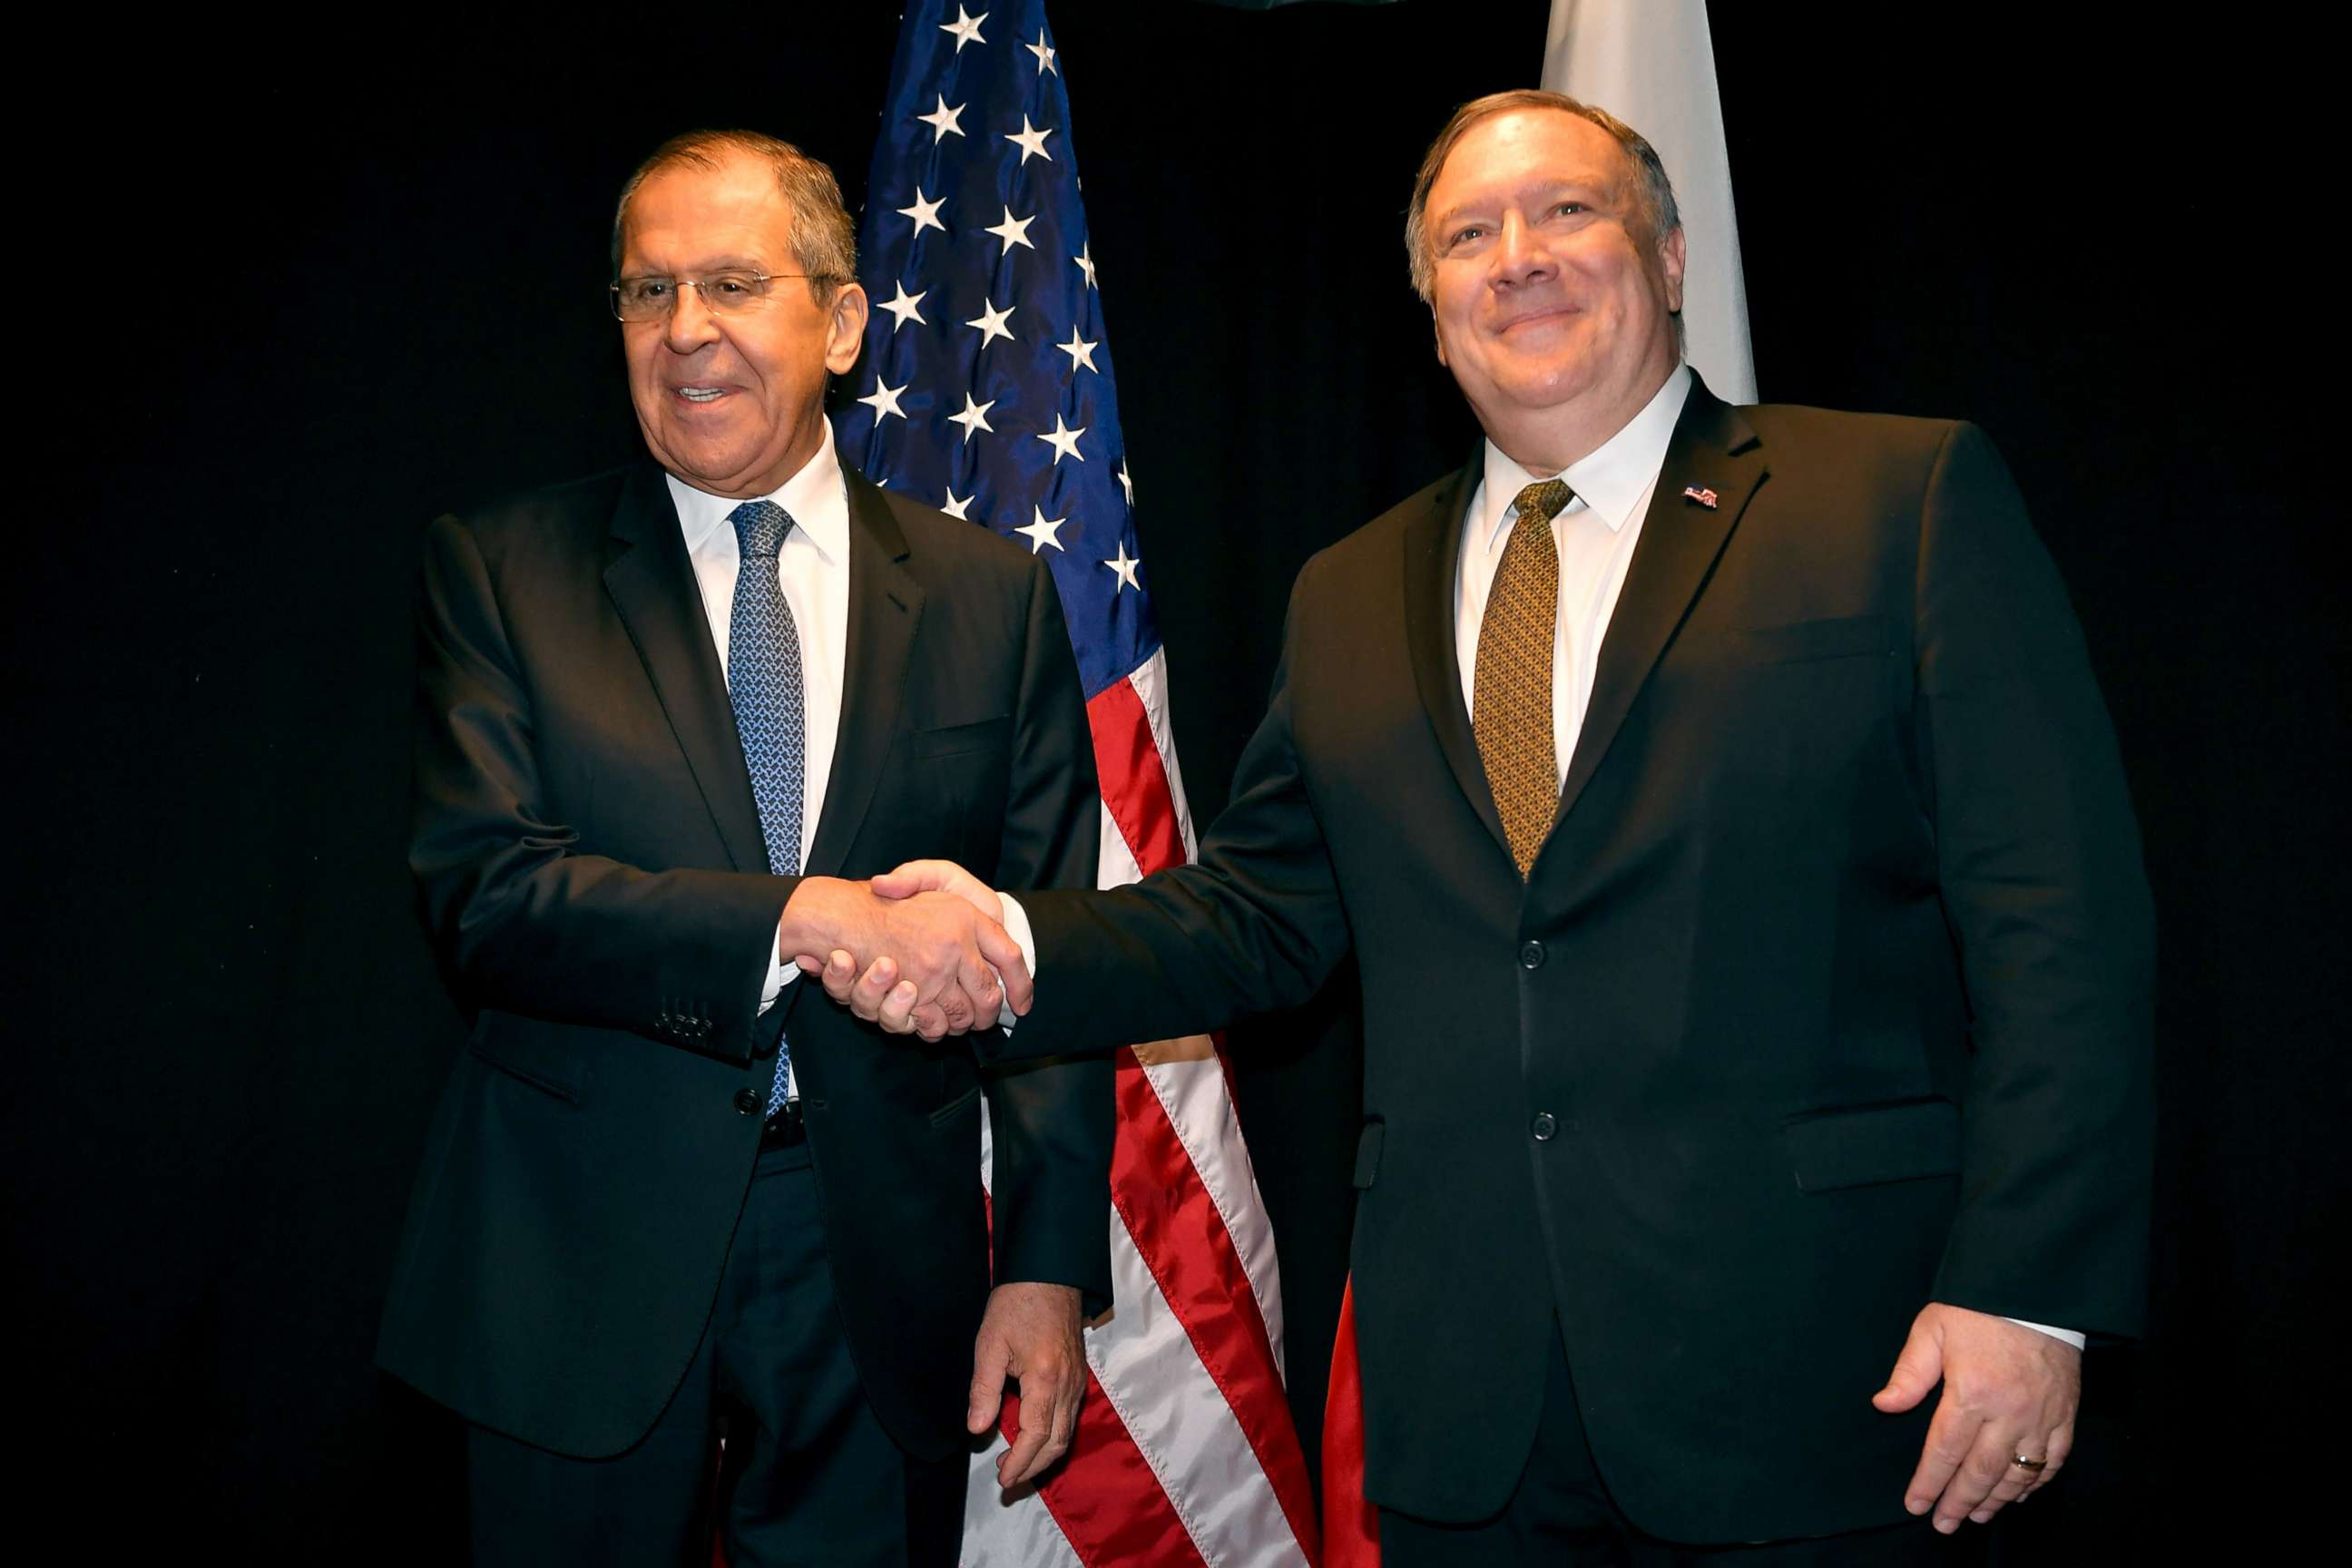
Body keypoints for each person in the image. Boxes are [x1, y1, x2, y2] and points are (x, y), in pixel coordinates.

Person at [799, 91, 2155, 1563]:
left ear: (1670, 252)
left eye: (1568, 211)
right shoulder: (1350, 591)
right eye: (1468, 234)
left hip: (1837, 1386)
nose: (1518, 257)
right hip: (1470, 1411)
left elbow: (2060, 931)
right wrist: (1001, 935)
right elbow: (1261, 918)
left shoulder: (1896, 500)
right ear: (1432, 310)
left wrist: (2028, 1293)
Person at [376, 129, 1111, 1568]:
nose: (687, 331)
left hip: (876, 1269)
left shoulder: (991, 600)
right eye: (648, 295)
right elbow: (487, 898)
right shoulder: (505, 571)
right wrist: (804, 922)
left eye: (729, 283)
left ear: (840, 322)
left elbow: (1047, 960)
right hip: (570, 1261)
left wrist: (1043, 1267)